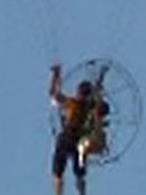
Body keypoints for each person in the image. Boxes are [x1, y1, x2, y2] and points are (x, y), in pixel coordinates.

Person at [49, 64, 95, 195]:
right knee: (80, 175)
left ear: (78, 92)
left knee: (58, 174)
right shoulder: (90, 108)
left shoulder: (72, 104)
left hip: (66, 138)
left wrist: (55, 76)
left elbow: (53, 94)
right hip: (79, 142)